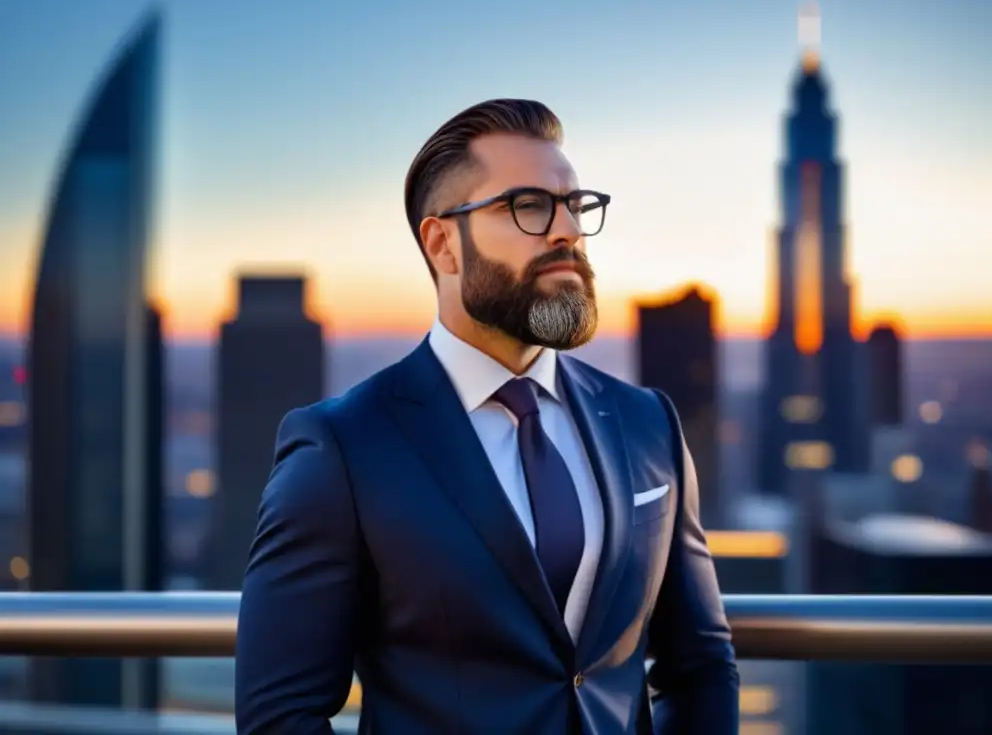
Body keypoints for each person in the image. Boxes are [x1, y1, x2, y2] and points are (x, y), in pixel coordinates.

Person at [234, 98, 740, 734]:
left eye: (575, 206)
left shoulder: (648, 424)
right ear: (443, 244)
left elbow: (700, 666)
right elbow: (280, 715)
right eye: (529, 206)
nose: (567, 232)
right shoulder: (342, 448)